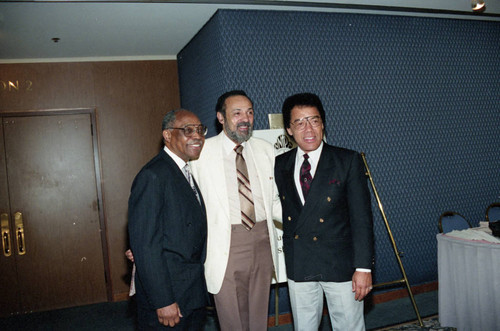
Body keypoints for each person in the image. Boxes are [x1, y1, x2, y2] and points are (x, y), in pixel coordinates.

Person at [274, 93, 374, 331]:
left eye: (314, 120)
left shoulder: (347, 160)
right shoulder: (281, 164)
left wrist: (363, 268)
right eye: (299, 122)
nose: (308, 129)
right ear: (289, 129)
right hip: (300, 264)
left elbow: (362, 219)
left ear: (323, 123)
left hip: (340, 265)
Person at [190, 90, 282, 331]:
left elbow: (274, 201)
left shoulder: (266, 149)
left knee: (259, 314)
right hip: (224, 243)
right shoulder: (200, 154)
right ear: (221, 118)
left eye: (250, 112)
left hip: (262, 239)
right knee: (232, 319)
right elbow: (187, 206)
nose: (245, 118)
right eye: (237, 113)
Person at [128, 109, 209, 330]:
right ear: (167, 135)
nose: (197, 136)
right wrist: (163, 301)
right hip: (168, 298)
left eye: (200, 130)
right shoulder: (153, 175)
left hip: (189, 292)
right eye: (188, 130)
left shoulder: (182, 170)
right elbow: (146, 246)